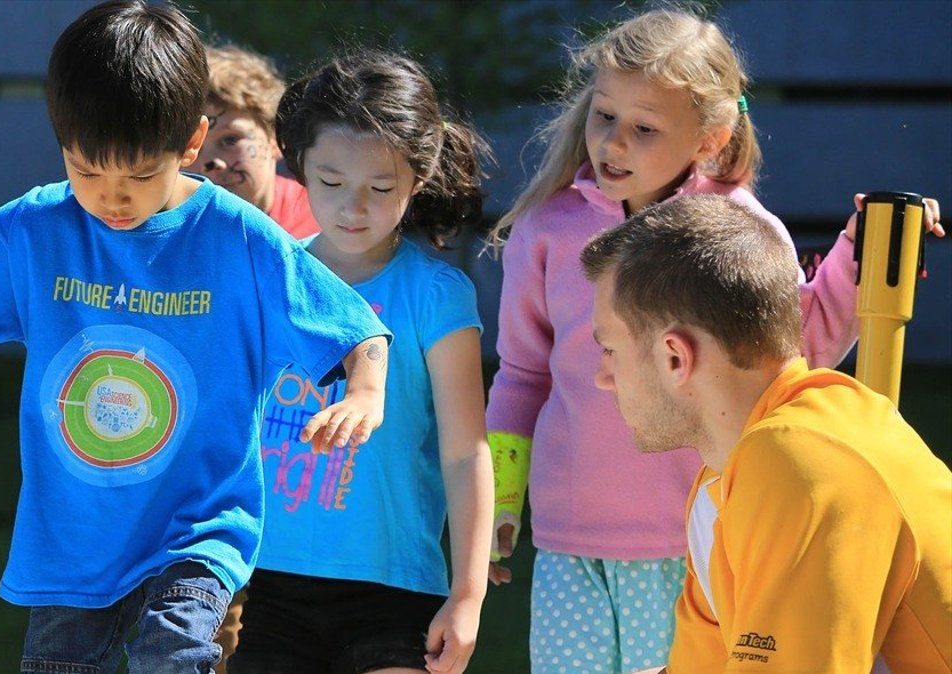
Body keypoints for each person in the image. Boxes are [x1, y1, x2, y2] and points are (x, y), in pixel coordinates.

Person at [0, 2, 391, 671]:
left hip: (198, 529)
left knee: (174, 654)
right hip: (73, 540)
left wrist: (364, 392)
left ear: (191, 144)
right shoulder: (41, 228)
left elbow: (356, 325)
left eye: (137, 175)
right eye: (87, 170)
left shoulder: (238, 239)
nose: (112, 198)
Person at [483, 9, 868, 672]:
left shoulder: (736, 232)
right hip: (567, 540)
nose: (613, 143)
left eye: (644, 128)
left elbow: (791, 358)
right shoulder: (547, 227)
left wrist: (862, 259)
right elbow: (521, 373)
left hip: (691, 539)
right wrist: (500, 497)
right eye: (604, 116)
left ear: (710, 138)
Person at [579, 194, 950, 673]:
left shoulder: (804, 463)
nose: (602, 377)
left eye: (609, 349)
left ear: (675, 357)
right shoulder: (724, 480)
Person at [226, 51, 492, 674]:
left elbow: (465, 451)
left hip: (396, 590)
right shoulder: (271, 273)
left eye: (380, 188)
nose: (353, 208)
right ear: (297, 165)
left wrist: (468, 595)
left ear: (418, 180)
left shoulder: (435, 295)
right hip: (269, 585)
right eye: (330, 182)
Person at [196, 44, 319, 239]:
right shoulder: (164, 235)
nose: (211, 163)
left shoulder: (324, 219)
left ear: (277, 140)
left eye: (230, 140)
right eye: (190, 146)